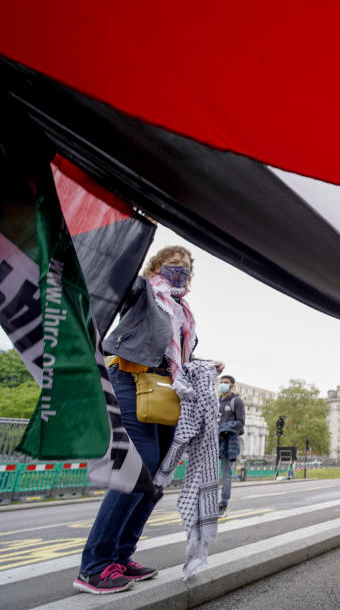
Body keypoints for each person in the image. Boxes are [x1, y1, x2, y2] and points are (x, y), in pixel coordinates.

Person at [75, 245, 222, 594]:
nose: (180, 269)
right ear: (157, 266)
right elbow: (117, 275)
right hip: (130, 380)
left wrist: (205, 365)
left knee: (156, 477)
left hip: (166, 391)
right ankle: (93, 566)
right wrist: (139, 229)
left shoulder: (183, 312)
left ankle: (120, 556)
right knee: (139, 469)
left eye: (186, 266)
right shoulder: (143, 292)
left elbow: (177, 358)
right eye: (173, 263)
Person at [217, 375, 245, 517]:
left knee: (226, 474)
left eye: (226, 383)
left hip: (228, 442)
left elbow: (240, 423)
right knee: (208, 474)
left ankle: (223, 504)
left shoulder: (236, 401)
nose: (222, 385)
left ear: (232, 385)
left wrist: (223, 427)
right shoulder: (216, 402)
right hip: (214, 441)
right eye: (221, 382)